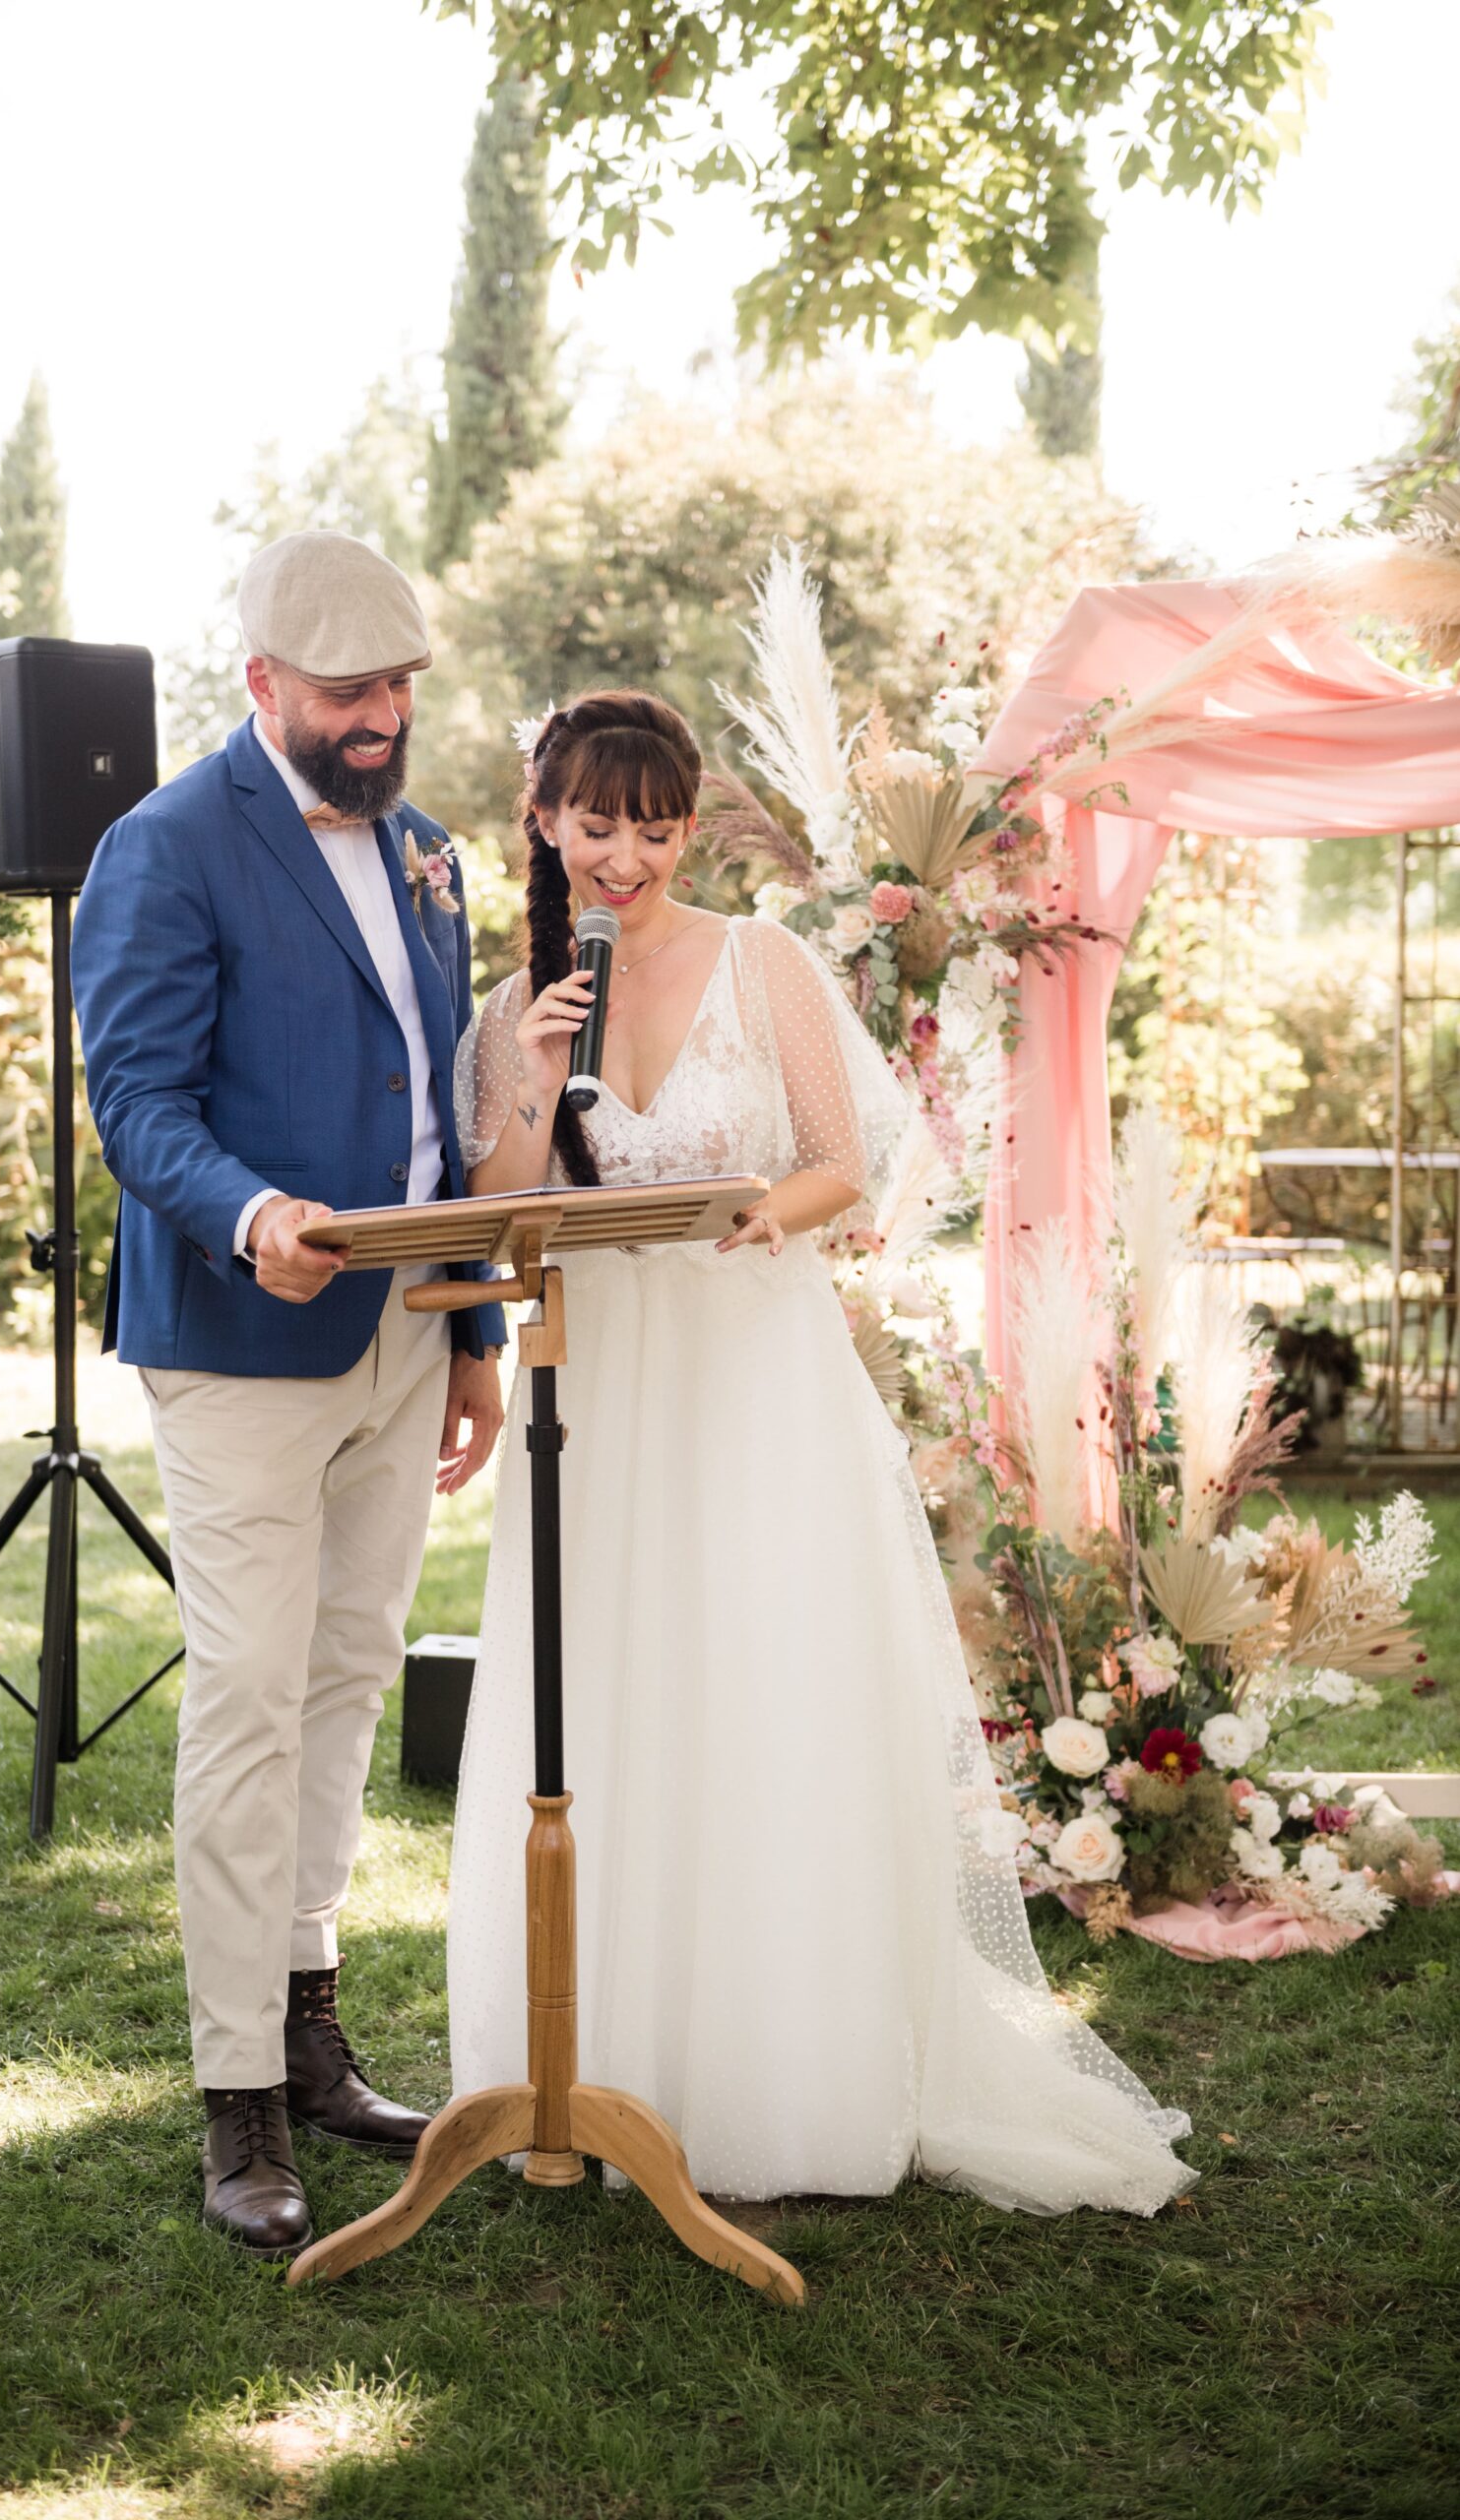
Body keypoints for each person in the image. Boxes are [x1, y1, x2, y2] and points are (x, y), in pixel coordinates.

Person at [446, 689, 1196, 2215]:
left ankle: (782, 2074)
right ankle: (602, 2061)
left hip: (752, 1372)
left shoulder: (761, 961)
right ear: (545, 822)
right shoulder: (515, 1001)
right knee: (608, 1691)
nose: (626, 857)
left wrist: (753, 1214)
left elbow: (852, 1161)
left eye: (653, 829)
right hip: (597, 1386)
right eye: (597, 826)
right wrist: (529, 1071)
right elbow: (499, 1200)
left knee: (761, 1676)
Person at [72, 532, 507, 2258]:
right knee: (249, 1694)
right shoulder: (161, 848)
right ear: (263, 685)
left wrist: (469, 1340)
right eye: (348, 694)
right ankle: (236, 2093)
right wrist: (256, 1215)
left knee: (349, 1675)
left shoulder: (434, 859)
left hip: (405, 1338)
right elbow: (138, 1100)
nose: (382, 720)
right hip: (239, 1339)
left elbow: (446, 1117)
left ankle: (311, 2022)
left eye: (399, 688)